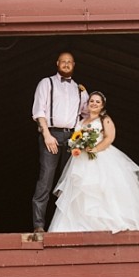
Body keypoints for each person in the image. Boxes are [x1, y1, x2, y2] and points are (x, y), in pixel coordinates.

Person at [49, 91, 139, 233]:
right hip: (81, 160)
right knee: (80, 192)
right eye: (91, 101)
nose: (94, 104)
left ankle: (106, 223)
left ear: (102, 105)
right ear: (87, 104)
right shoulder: (81, 122)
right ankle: (82, 225)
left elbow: (109, 138)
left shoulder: (105, 119)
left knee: (101, 189)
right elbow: (75, 138)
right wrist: (77, 145)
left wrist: (95, 149)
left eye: (97, 102)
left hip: (101, 156)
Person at [31, 52, 88, 237]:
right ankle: (39, 224)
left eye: (69, 62)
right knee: (46, 179)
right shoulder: (46, 83)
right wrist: (46, 134)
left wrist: (79, 136)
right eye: (63, 62)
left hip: (71, 137)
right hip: (52, 134)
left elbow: (85, 114)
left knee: (69, 182)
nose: (66, 64)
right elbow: (39, 110)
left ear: (74, 65)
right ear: (57, 63)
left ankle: (65, 225)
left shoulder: (79, 90)